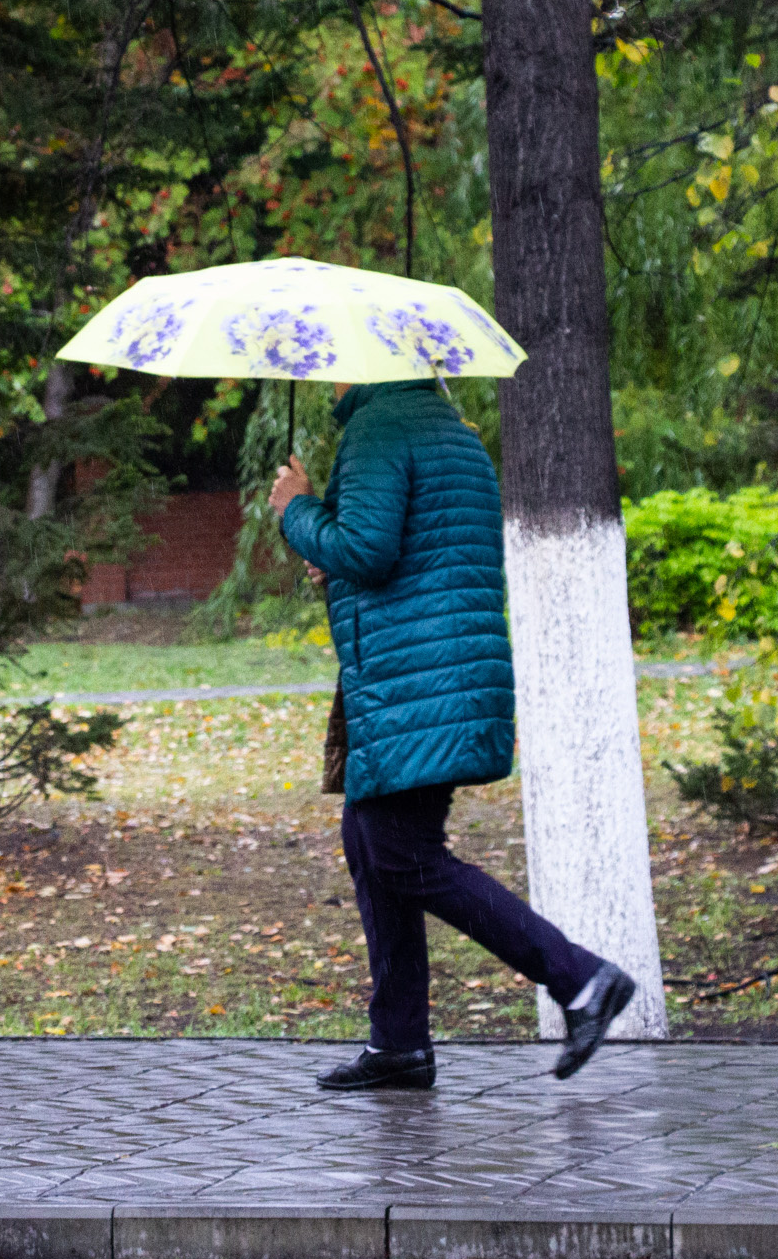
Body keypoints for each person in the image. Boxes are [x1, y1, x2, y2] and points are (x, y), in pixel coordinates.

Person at [271, 379, 634, 1089]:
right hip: (439, 678)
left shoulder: (379, 428)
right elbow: (411, 557)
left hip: (418, 687)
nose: (327, 377)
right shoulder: (447, 428)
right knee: (370, 842)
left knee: (402, 854)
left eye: (337, 364)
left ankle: (583, 979)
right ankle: (399, 1041)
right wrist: (328, 553)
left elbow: (370, 550)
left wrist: (298, 511)